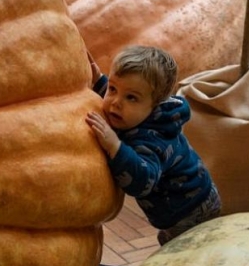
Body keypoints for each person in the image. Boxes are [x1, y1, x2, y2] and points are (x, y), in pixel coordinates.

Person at [85, 45, 221, 246]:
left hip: (190, 209)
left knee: (183, 256)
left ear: (155, 105)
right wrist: (99, 80)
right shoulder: (139, 114)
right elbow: (121, 94)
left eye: (131, 97)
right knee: (176, 245)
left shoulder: (152, 140)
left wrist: (115, 146)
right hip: (186, 201)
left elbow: (141, 182)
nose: (115, 102)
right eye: (113, 89)